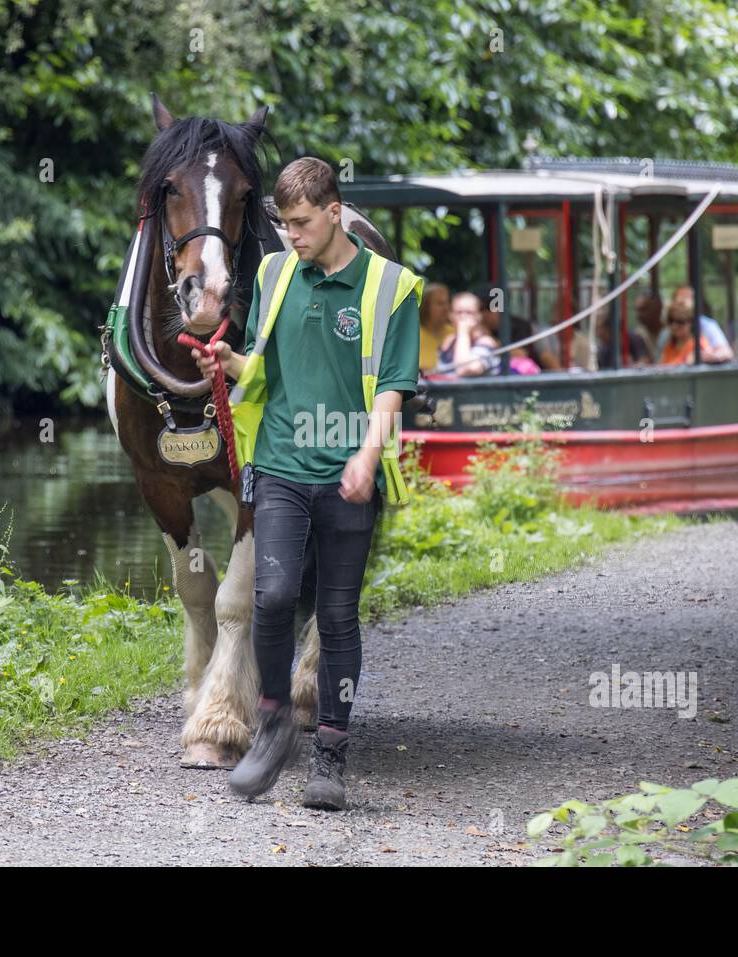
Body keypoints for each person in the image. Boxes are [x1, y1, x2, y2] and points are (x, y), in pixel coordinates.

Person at [191, 157, 421, 811]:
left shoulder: (391, 288)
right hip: (283, 465)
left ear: (333, 212)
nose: (290, 235)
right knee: (273, 596)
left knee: (338, 614)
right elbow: (262, 372)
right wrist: (227, 358)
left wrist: (367, 457)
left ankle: (331, 753)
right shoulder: (272, 274)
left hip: (349, 472)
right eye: (283, 224)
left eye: (300, 223)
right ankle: (271, 726)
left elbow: (395, 387)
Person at [655, 286, 734, 363]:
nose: (674, 326)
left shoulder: (701, 338)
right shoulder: (669, 340)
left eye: (680, 321)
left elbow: (726, 353)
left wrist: (702, 357)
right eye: (671, 320)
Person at [437, 291, 498, 376]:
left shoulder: (485, 342)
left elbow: (465, 369)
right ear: (451, 316)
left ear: (478, 316)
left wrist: (463, 332)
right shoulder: (449, 341)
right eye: (459, 312)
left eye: (469, 312)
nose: (463, 317)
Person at [419, 282, 453, 372]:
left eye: (447, 302)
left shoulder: (454, 332)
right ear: (426, 306)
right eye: (440, 303)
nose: (446, 308)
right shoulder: (413, 334)